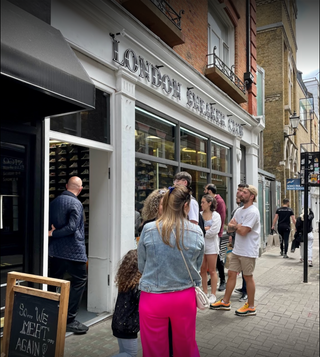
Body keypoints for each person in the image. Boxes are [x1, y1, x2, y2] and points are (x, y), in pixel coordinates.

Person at [138, 185, 204, 357]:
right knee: (186, 347)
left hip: (153, 297)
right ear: (186, 206)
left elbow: (141, 265)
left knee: (154, 350)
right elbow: (197, 266)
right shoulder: (197, 231)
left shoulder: (149, 229)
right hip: (184, 297)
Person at [211, 185, 260, 316]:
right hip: (237, 250)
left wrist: (236, 226)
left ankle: (251, 306)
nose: (241, 194)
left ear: (251, 196)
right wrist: (236, 226)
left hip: (249, 250)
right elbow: (229, 228)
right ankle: (225, 302)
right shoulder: (239, 211)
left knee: (248, 277)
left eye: (244, 192)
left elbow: (243, 231)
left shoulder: (253, 212)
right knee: (232, 274)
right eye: (241, 191)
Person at [48, 176, 89, 334]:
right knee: (79, 281)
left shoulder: (54, 202)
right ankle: (69, 319)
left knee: (54, 281)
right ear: (80, 189)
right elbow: (72, 227)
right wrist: (54, 233)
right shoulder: (76, 203)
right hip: (74, 251)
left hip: (56, 250)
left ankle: (51, 314)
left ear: (66, 186)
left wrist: (53, 234)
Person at [112, 249, 141, 357]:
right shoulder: (137, 286)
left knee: (123, 352)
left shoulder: (125, 281)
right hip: (128, 327)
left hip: (118, 323)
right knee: (130, 354)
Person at [204, 184, 227, 291]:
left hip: (217, 235)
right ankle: (212, 280)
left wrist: (217, 231)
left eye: (205, 190)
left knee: (218, 258)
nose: (204, 191)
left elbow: (221, 218)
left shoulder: (219, 201)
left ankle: (222, 280)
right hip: (210, 235)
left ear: (209, 191)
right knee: (210, 261)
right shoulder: (208, 204)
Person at [200, 194, 221, 304]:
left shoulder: (216, 215)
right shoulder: (199, 215)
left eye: (203, 202)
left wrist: (203, 231)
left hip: (212, 246)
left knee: (212, 270)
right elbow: (196, 229)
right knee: (202, 270)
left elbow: (214, 231)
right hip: (201, 245)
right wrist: (205, 229)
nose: (201, 204)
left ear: (209, 203)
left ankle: (213, 294)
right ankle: (204, 292)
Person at [228, 184, 248, 302]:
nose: (238, 192)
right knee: (236, 268)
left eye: (241, 191)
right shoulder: (238, 209)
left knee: (245, 269)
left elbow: (242, 228)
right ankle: (243, 288)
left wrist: (233, 227)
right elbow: (230, 227)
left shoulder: (247, 210)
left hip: (244, 244)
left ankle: (246, 292)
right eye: (238, 190)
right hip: (236, 240)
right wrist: (231, 233)